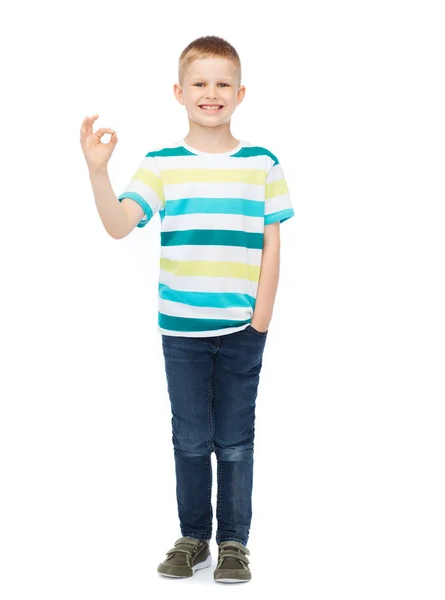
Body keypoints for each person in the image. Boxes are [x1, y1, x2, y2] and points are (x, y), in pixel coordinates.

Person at [80, 35, 294, 584]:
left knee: (236, 438)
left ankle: (234, 544)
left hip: (245, 327)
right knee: (191, 437)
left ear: (241, 93)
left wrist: (262, 314)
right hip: (181, 329)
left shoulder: (262, 163)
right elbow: (119, 224)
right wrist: (99, 171)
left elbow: (273, 241)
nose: (211, 93)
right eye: (199, 83)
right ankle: (193, 537)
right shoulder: (162, 164)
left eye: (223, 83)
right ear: (179, 92)